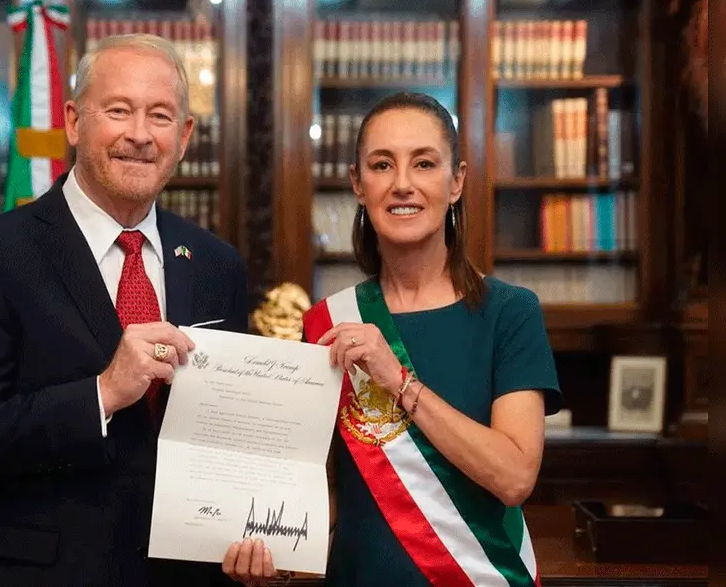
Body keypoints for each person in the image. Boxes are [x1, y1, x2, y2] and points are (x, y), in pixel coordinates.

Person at [0, 33, 248, 587]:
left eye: (160, 116)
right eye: (118, 111)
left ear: (184, 136)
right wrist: (102, 395)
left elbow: (228, 441)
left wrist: (255, 526)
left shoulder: (217, 266)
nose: (139, 135)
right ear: (72, 121)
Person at [226, 92, 562, 586]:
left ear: (456, 182)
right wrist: (274, 558)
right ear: (358, 185)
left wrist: (399, 381)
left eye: (424, 164)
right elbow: (327, 495)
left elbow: (514, 478)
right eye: (382, 165)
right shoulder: (325, 324)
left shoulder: (510, 313)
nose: (402, 184)